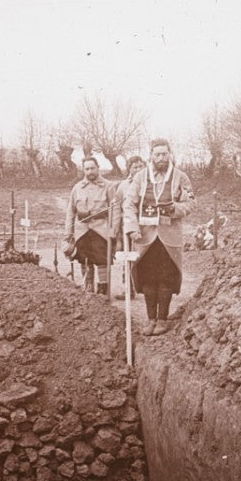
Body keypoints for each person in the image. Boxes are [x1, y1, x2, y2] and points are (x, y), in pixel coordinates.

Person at [120, 138, 194, 336]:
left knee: (166, 278)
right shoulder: (140, 178)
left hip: (169, 236)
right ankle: (150, 319)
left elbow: (191, 203)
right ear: (151, 156)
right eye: (157, 154)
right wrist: (132, 228)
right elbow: (129, 204)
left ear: (170, 154)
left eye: (164, 154)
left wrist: (174, 208)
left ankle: (162, 320)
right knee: (147, 278)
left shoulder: (181, 177)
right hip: (145, 237)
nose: (161, 158)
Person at [65, 156, 120, 295]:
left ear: (98, 168)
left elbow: (115, 210)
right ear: (83, 170)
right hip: (82, 230)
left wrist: (113, 230)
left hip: (101, 229)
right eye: (87, 169)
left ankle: (103, 288)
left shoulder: (108, 186)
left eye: (92, 168)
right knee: (84, 260)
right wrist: (68, 233)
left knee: (101, 259)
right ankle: (88, 287)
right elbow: (70, 211)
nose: (90, 171)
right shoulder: (77, 188)